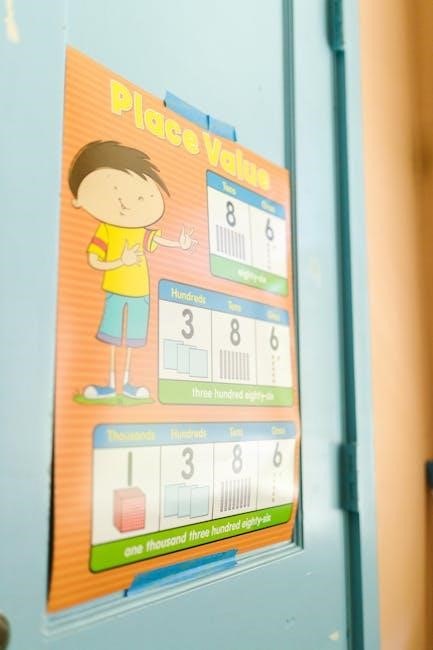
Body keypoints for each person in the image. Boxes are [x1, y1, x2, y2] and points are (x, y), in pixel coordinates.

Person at [69, 139, 197, 399]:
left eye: (141, 196)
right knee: (112, 337)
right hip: (115, 290)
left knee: (133, 340)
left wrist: (180, 244)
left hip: (140, 293)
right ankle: (108, 383)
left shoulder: (139, 229)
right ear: (80, 200)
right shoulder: (106, 228)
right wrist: (121, 262)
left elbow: (157, 239)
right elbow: (94, 260)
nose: (127, 202)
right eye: (116, 191)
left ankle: (127, 383)